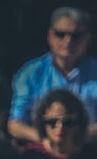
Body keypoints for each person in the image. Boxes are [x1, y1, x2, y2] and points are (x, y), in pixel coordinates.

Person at [8, 8, 97, 144]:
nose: (68, 41)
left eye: (76, 36)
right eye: (60, 34)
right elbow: (15, 124)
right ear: (50, 36)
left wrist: (74, 138)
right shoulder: (30, 73)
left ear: (88, 39)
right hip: (42, 149)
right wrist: (47, 139)